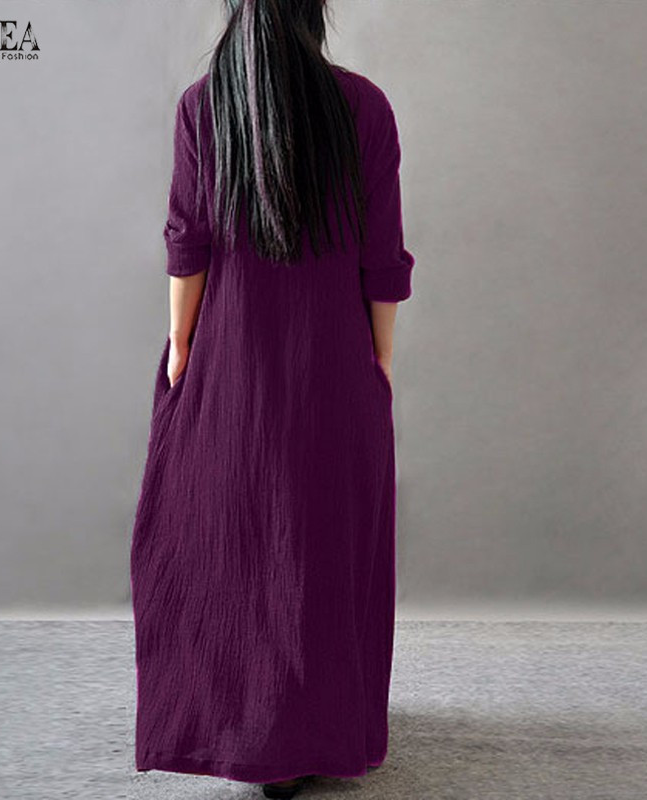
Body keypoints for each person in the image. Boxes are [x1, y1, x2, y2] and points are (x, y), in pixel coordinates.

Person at [130, 1, 416, 797]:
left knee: (231, 539)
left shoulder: (204, 106)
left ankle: (242, 730)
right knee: (327, 544)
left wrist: (182, 348)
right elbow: (383, 255)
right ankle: (321, 731)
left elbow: (188, 245)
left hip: (234, 360)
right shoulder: (363, 106)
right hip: (334, 359)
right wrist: (380, 356)